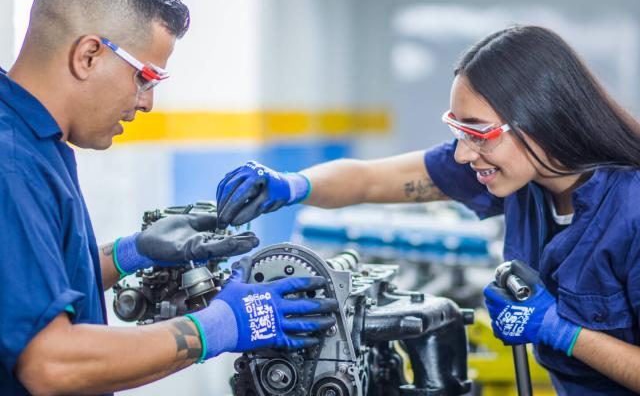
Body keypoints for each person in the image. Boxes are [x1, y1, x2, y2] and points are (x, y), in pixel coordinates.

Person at [216, 25, 640, 395]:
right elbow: (369, 179)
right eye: (458, 130)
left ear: (544, 117)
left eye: (478, 133)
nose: (461, 155)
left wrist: (559, 330)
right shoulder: (521, 181)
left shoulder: (631, 209)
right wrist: (293, 184)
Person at [1, 0, 337, 395]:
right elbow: (51, 364)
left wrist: (131, 253)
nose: (146, 102)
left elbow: (30, 290)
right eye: (145, 77)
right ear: (88, 55)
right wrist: (217, 327)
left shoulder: (34, 139)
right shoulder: (13, 163)